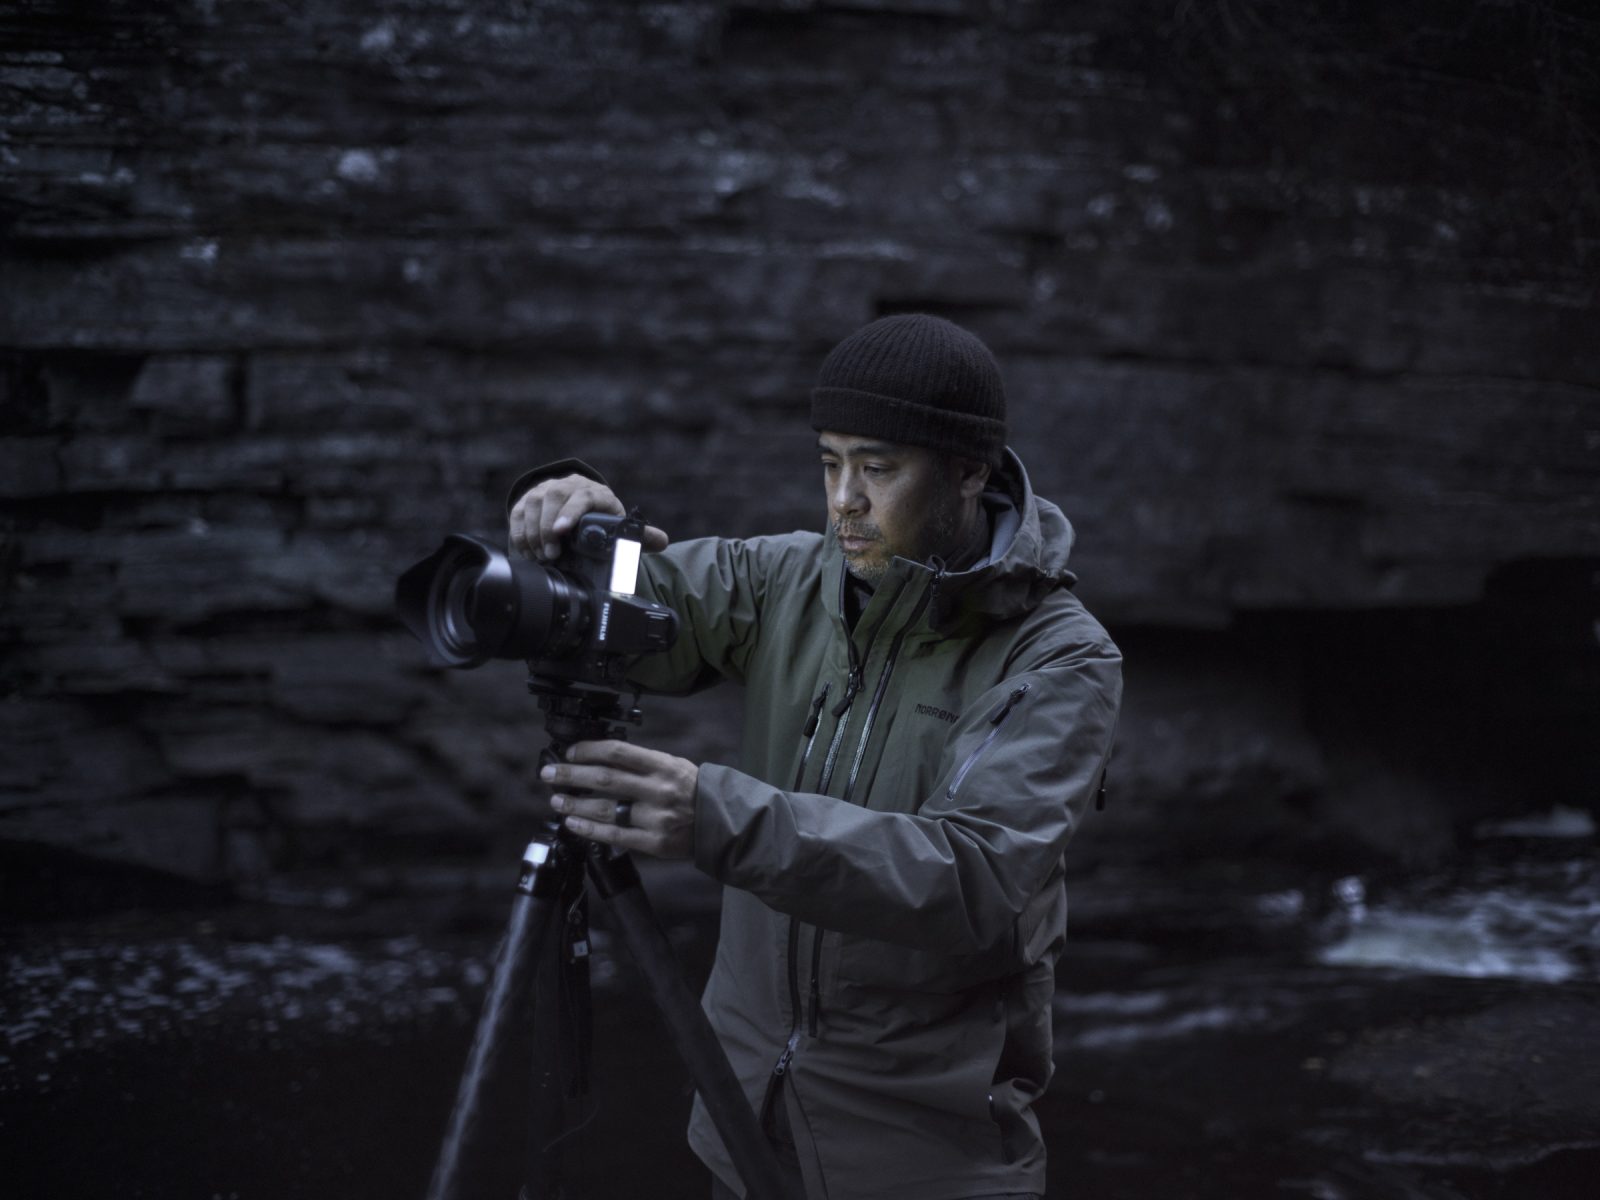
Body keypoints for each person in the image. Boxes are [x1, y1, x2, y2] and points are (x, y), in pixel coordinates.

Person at [506, 313, 1122, 1200]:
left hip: (924, 1160)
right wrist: (586, 527)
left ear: (969, 471)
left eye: (878, 467)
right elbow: (634, 618)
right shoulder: (788, 579)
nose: (844, 500)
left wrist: (715, 817)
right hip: (744, 1127)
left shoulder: (1059, 656)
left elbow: (972, 876)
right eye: (829, 462)